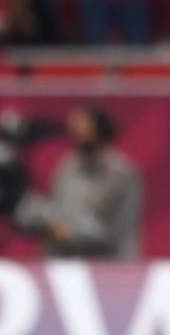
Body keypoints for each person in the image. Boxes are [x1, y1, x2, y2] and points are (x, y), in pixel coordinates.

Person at [14, 106, 142, 258]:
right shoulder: (68, 166)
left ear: (98, 128)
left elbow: (124, 232)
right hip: (60, 262)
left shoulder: (122, 174)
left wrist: (73, 232)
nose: (75, 130)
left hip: (101, 265)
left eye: (83, 124)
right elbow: (57, 208)